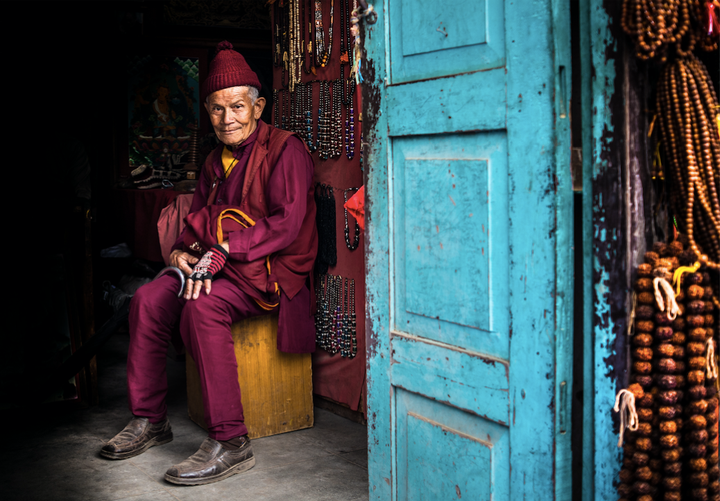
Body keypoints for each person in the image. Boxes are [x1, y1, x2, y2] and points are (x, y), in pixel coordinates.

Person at [100, 41, 318, 486]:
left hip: (267, 269)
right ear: (207, 111)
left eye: (238, 106)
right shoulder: (213, 162)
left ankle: (232, 442)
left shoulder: (285, 149)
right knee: (148, 299)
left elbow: (287, 223)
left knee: (203, 307)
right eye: (217, 109)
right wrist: (181, 251)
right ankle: (150, 420)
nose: (228, 118)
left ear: (258, 106)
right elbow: (197, 224)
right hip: (214, 265)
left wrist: (225, 251)